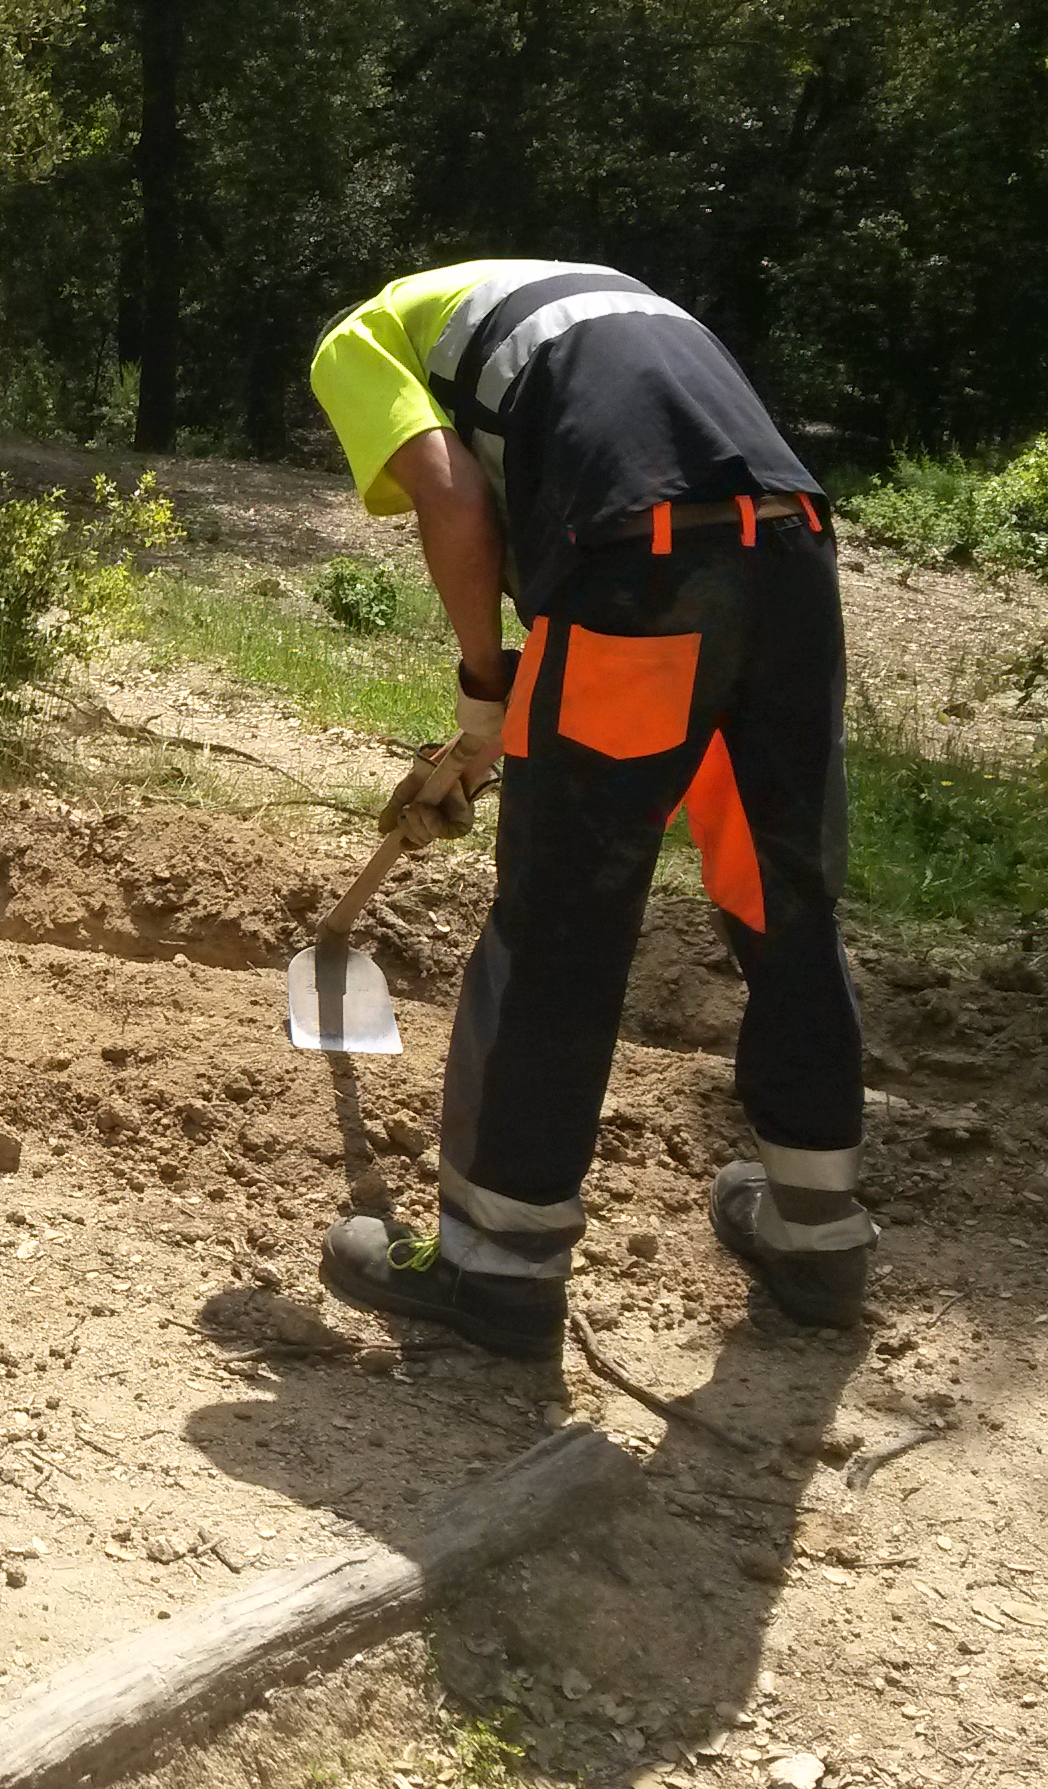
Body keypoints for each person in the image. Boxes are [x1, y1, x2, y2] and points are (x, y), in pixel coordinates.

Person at [301, 259, 873, 1359]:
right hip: (792, 554)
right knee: (785, 894)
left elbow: (456, 502)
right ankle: (820, 1235)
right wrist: (498, 727)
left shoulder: (356, 342)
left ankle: (497, 1268)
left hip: (636, 565)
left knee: (565, 918)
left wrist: (483, 683)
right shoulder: (595, 300)